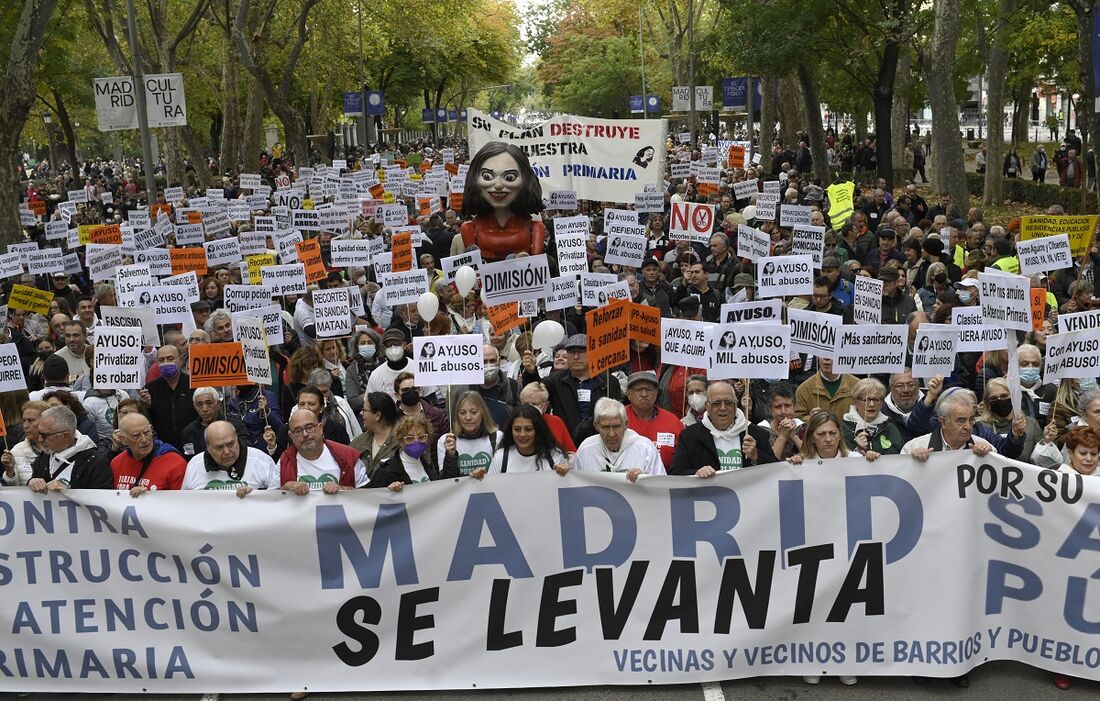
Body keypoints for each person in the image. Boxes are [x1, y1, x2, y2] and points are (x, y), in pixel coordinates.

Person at [520, 334, 622, 445]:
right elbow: (535, 392)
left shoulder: (609, 381)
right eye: (572, 352)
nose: (576, 356)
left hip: (600, 444)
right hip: (565, 444)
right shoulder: (556, 379)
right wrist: (531, 373)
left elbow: (618, 414)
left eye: (582, 351)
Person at [459, 141, 546, 262]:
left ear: (525, 179)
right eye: (487, 177)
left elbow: (538, 266)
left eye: (509, 177)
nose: (498, 185)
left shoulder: (536, 227)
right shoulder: (468, 228)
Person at [669, 381, 762, 476]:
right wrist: (696, 473)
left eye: (728, 403)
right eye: (716, 403)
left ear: (735, 405)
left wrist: (756, 457)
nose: (723, 408)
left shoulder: (756, 434)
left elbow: (773, 472)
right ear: (707, 406)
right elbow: (676, 473)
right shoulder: (689, 436)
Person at [279, 409, 368, 494]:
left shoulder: (348, 456)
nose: (305, 434)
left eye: (309, 427)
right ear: (291, 436)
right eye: (298, 431)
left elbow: (368, 495)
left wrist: (342, 490)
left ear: (320, 428)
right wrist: (285, 489)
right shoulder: (284, 461)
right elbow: (271, 500)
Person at [26, 405, 112, 491]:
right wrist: (32, 482)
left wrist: (70, 490)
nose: (40, 439)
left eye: (45, 435)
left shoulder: (96, 463)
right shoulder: (44, 457)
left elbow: (104, 499)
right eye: (39, 433)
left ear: (65, 436)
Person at [182, 421, 280, 494]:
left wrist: (258, 496)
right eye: (219, 447)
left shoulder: (262, 461)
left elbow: (277, 499)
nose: (227, 452)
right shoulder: (195, 465)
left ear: (237, 439)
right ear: (208, 448)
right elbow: (185, 505)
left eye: (230, 444)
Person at [368, 413, 456, 489]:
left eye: (421, 437)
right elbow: (373, 498)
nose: (416, 442)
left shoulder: (427, 464)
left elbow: (445, 487)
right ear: (401, 441)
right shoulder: (386, 471)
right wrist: (389, 492)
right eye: (410, 438)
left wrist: (451, 455)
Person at [139, 344, 197, 453]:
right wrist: (145, 407)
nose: (166, 363)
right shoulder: (149, 389)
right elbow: (147, 423)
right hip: (163, 449)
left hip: (192, 444)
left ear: (179, 360)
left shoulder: (193, 384)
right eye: (161, 360)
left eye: (170, 359)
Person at [111, 413, 188, 495]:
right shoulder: (116, 464)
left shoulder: (175, 463)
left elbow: (181, 503)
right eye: (136, 436)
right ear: (123, 440)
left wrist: (148, 497)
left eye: (146, 432)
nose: (144, 440)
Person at [483, 404, 568, 475]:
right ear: (510, 430)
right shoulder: (500, 457)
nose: (522, 434)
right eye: (517, 429)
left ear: (538, 430)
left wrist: (566, 472)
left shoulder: (554, 456)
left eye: (528, 429)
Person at [623, 371, 682, 469]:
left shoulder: (673, 421)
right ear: (628, 394)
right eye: (639, 389)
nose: (644, 394)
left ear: (657, 393)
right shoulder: (618, 418)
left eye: (649, 389)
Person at [438, 391, 501, 477]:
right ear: (457, 416)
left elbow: (503, 475)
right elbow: (446, 482)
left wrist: (486, 474)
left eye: (474, 412)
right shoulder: (447, 440)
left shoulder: (498, 437)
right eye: (462, 413)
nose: (468, 418)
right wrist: (450, 456)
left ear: (483, 413)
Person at [180, 387, 250, 459]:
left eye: (209, 403)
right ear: (195, 407)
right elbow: (189, 459)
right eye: (200, 404)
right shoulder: (189, 432)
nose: (204, 409)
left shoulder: (235, 425)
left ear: (218, 404)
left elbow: (246, 452)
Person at [841, 378, 905, 455]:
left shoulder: (890, 429)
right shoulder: (843, 429)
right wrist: (857, 450)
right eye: (866, 400)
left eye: (876, 400)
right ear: (855, 401)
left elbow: (898, 457)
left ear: (882, 403)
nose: (872, 404)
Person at [351, 392, 400, 477]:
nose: (361, 413)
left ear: (377, 415)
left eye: (364, 410)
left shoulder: (403, 441)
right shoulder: (358, 443)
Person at [0, 400, 48, 486]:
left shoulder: (61, 447)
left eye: (31, 420)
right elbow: (13, 491)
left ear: (47, 420)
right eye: (24, 420)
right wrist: (10, 470)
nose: (25, 426)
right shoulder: (17, 450)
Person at [795, 357, 859, 420]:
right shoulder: (804, 389)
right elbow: (798, 420)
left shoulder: (858, 386)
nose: (826, 358)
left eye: (831, 354)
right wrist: (811, 418)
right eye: (822, 353)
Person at [754, 382, 804, 461]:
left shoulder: (803, 427)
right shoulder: (762, 430)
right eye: (778, 407)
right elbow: (768, 462)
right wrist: (783, 436)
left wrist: (793, 436)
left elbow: (812, 456)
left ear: (795, 406)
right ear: (770, 410)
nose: (783, 411)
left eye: (787, 405)